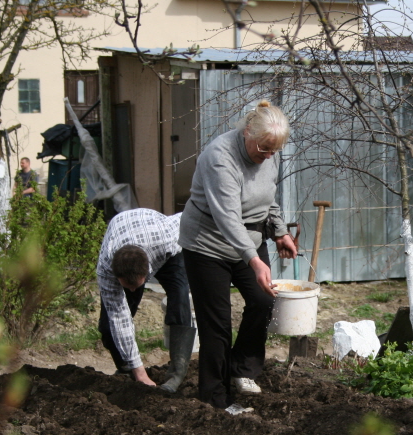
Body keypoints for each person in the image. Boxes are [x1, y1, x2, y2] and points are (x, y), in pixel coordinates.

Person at [179, 100, 297, 410]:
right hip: (208, 244)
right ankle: (215, 400)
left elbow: (267, 196)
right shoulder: (220, 157)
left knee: (263, 300)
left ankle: (242, 369)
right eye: (263, 149)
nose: (267, 156)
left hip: (250, 240)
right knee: (217, 324)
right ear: (247, 131)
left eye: (273, 151)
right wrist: (254, 259)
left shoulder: (270, 154)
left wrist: (279, 231)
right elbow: (227, 217)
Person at [97, 208, 196, 392]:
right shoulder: (105, 270)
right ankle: (128, 370)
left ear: (148, 270)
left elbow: (189, 216)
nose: (133, 290)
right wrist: (140, 373)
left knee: (180, 296)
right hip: (124, 235)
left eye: (138, 284)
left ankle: (176, 374)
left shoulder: (167, 238)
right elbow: (120, 319)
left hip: (162, 247)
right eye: (128, 286)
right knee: (108, 326)